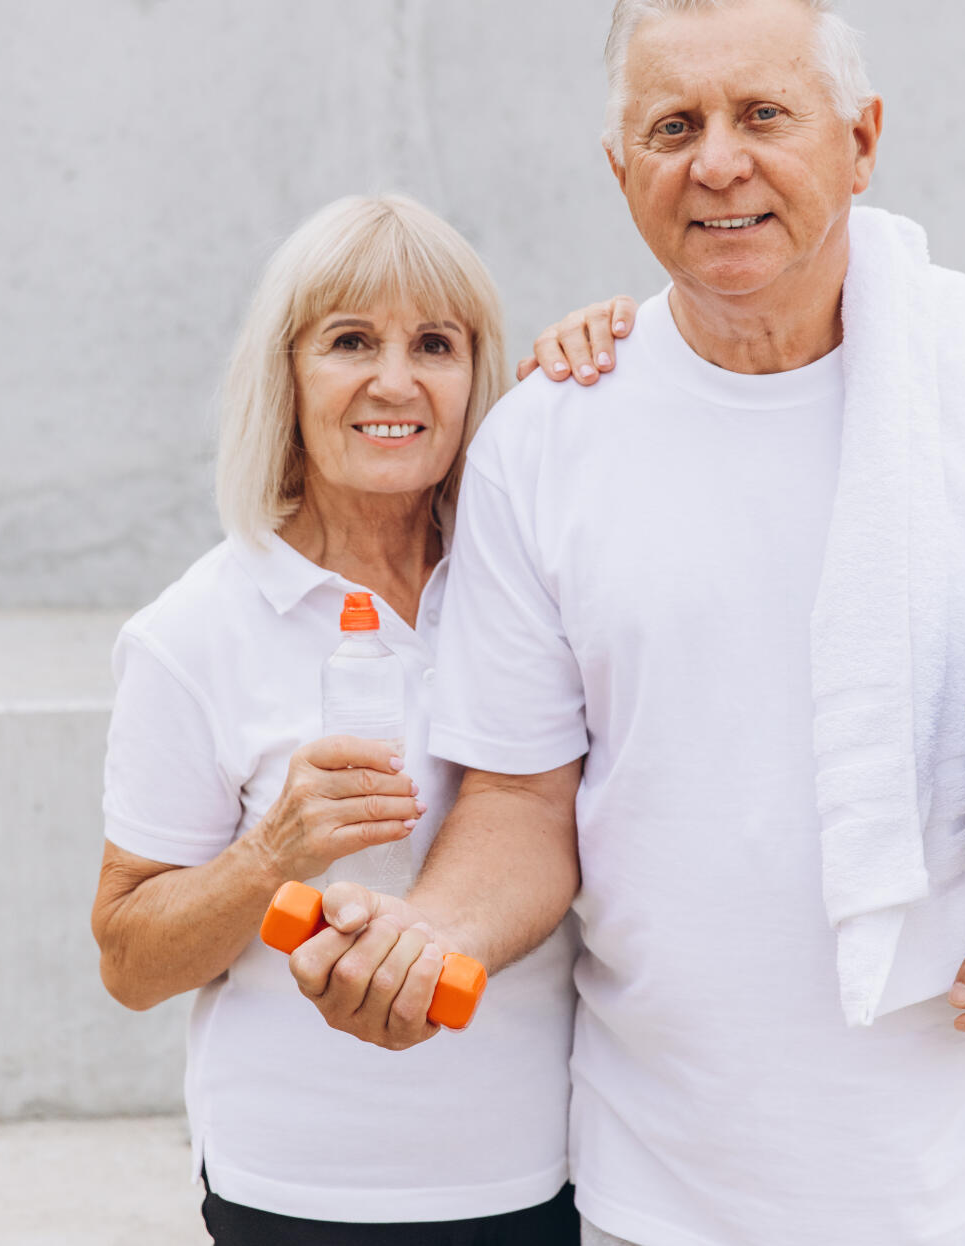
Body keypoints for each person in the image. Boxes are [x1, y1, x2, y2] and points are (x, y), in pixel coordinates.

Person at [286, 0, 965, 1246]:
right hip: (667, 1178)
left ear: (861, 140)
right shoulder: (549, 439)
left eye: (763, 115)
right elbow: (523, 800)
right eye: (673, 127)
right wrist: (422, 935)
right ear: (620, 170)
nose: (718, 162)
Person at [92, 193, 609, 1244]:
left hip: (541, 1173)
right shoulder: (193, 630)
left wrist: (628, 352)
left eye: (435, 344)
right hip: (298, 1189)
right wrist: (269, 853)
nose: (395, 380)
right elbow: (130, 961)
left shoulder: (534, 582)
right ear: (284, 372)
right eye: (348, 341)